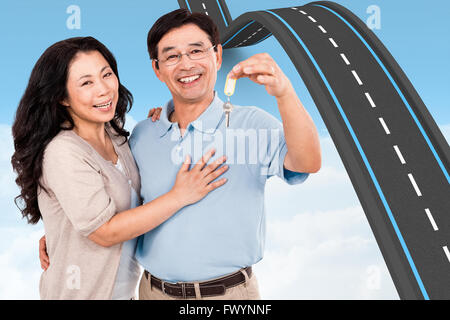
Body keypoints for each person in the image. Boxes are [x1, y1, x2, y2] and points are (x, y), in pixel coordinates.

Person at [12, 36, 228, 300]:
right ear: (62, 98)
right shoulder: (63, 151)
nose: (103, 90)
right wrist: (180, 196)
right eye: (86, 83)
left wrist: (162, 121)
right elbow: (105, 232)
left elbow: (129, 199)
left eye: (107, 75)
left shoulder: (116, 137)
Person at [129, 9, 321, 300]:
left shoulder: (252, 124)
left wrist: (284, 93)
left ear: (217, 56)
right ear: (157, 69)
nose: (186, 64)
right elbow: (119, 205)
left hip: (229, 296)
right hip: (152, 292)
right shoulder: (143, 134)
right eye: (172, 56)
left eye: (196, 51)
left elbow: (308, 162)